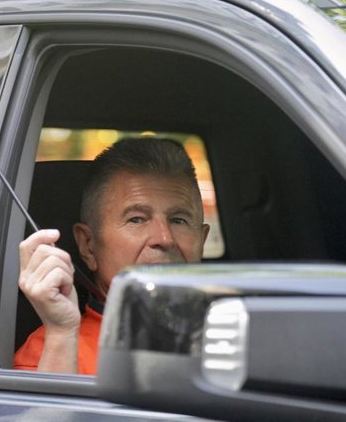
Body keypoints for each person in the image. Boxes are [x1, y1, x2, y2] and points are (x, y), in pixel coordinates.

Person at [14, 138, 210, 374]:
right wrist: (61, 333)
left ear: (202, 240)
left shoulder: (236, 334)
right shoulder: (54, 348)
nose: (165, 238)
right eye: (136, 219)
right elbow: (51, 412)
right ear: (88, 246)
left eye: (178, 220)